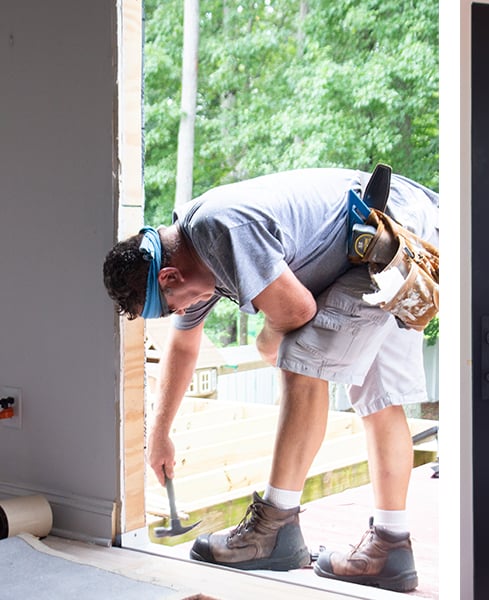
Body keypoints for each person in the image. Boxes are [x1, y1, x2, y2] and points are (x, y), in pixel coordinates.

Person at [103, 167, 439, 593]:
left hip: (387, 235)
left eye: (171, 305)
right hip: (398, 227)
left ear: (169, 277)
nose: (182, 311)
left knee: (298, 358)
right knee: (377, 397)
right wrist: (161, 432)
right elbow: (184, 345)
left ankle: (273, 530)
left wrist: (268, 340)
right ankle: (391, 547)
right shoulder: (189, 252)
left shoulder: (216, 232)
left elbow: (297, 312)